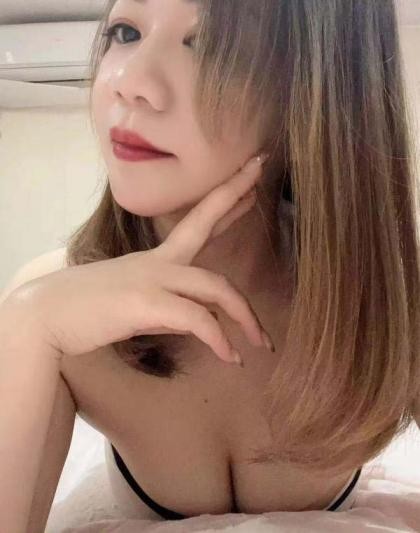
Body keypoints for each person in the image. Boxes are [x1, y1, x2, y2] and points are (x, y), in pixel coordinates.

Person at [1, 0, 420, 531]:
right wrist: (28, 321)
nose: (130, 83)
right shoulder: (53, 307)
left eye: (208, 45)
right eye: (125, 33)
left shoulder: (386, 301)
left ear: (312, 93)